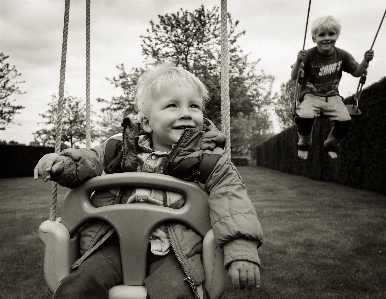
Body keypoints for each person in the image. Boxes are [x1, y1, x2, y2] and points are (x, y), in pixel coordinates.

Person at [34, 62, 264, 299]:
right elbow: (91, 160)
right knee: (79, 286)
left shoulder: (208, 159)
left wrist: (241, 247)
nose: (186, 112)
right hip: (111, 242)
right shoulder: (119, 148)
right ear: (146, 122)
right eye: (172, 105)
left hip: (176, 251)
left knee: (175, 292)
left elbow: (231, 197)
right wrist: (64, 164)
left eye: (194, 105)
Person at [291, 15, 374, 160]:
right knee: (304, 117)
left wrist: (365, 61)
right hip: (311, 95)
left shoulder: (341, 55)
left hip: (332, 96)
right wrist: (299, 60)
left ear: (337, 36)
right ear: (314, 38)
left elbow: (356, 72)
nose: (327, 38)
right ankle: (304, 142)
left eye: (331, 34)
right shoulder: (309, 55)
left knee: (345, 121)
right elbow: (294, 76)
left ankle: (330, 144)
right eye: (322, 35)